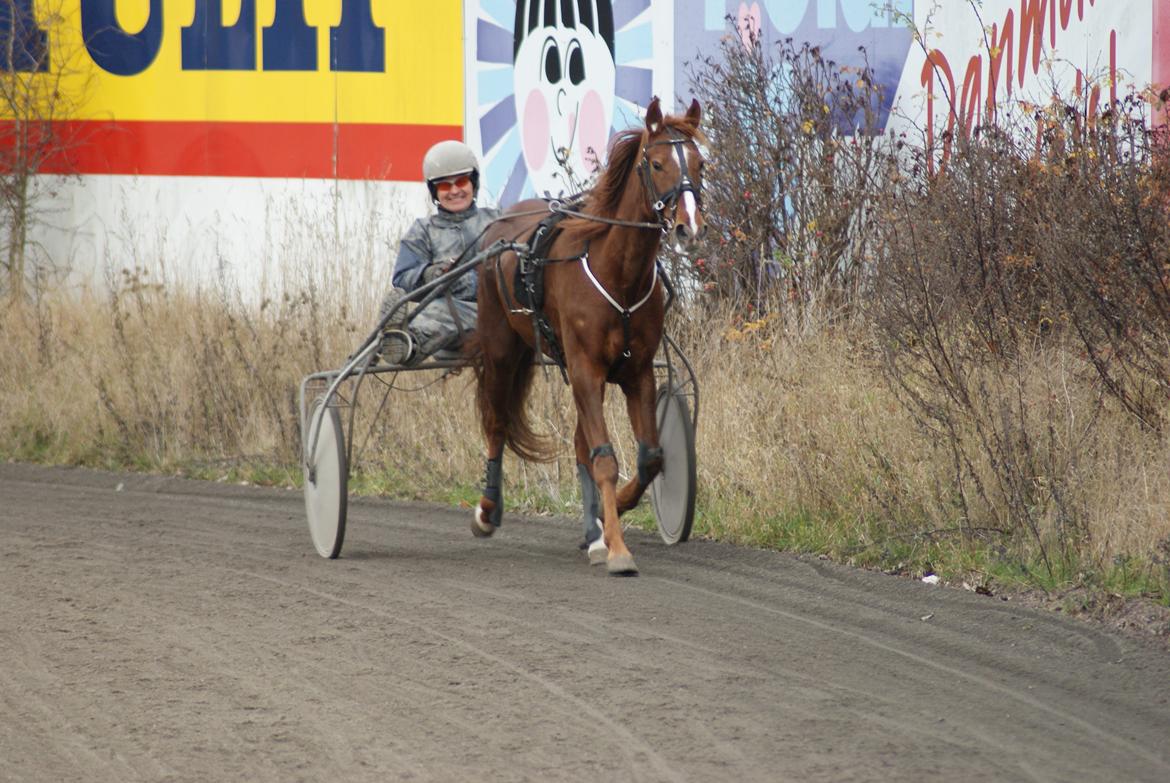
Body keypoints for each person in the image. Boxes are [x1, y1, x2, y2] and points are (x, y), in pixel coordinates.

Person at [378, 140, 501, 365]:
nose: (454, 191)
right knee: (439, 310)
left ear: (473, 183)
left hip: (500, 314)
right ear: (434, 191)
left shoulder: (498, 221)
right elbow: (402, 279)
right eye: (444, 186)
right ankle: (406, 344)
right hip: (453, 321)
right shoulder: (423, 230)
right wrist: (431, 275)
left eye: (461, 182)